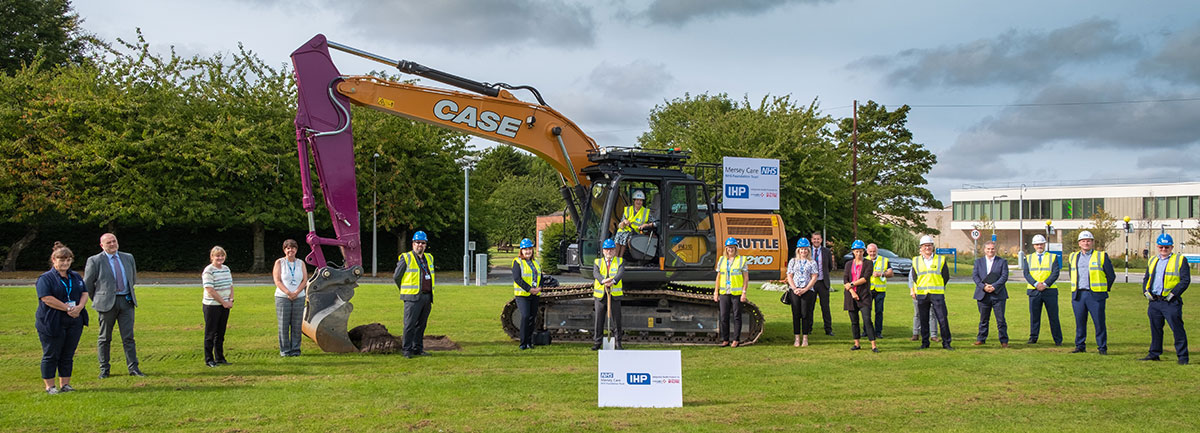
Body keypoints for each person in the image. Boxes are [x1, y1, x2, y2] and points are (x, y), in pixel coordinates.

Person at [83, 233, 144, 378]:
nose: (112, 244)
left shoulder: (128, 257)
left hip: (126, 302)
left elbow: (132, 279)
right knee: (104, 338)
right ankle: (104, 369)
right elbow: (87, 285)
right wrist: (98, 299)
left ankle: (133, 368)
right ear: (102, 245)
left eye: (114, 241)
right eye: (108, 242)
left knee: (128, 337)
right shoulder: (95, 260)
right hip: (106, 304)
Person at [35, 244, 89, 394]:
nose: (65, 263)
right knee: (51, 353)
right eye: (61, 260)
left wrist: (79, 307)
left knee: (68, 354)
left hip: (74, 320)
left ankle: (65, 384)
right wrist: (67, 308)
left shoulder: (75, 276)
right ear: (53, 260)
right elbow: (46, 298)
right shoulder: (45, 278)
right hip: (52, 321)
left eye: (68, 260)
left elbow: (84, 292)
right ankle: (50, 386)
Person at [1139, 233, 1190, 365]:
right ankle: (1154, 353)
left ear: (1172, 247)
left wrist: (1173, 294)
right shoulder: (1152, 260)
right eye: (1161, 247)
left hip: (1171, 302)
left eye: (1166, 247)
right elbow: (1146, 278)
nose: (1163, 249)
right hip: (1155, 301)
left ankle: (1183, 356)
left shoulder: (1180, 260)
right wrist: (1145, 291)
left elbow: (1185, 280)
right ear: (1157, 247)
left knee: (1177, 329)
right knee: (1155, 329)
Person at [1068, 230, 1115, 355]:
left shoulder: (1101, 256)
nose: (1086, 243)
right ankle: (1080, 345)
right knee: (1079, 322)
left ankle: (1102, 347)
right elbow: (1071, 273)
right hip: (1078, 294)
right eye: (1083, 241)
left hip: (1095, 295)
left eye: (1088, 240)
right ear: (1079, 243)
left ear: (1092, 242)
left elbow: (1111, 275)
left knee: (1099, 322)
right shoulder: (1073, 257)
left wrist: (1104, 288)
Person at [394, 231, 436, 358]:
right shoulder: (406, 258)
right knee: (409, 325)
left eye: (423, 243)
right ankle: (406, 350)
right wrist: (404, 290)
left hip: (427, 296)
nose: (420, 245)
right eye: (417, 242)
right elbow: (397, 277)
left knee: (421, 325)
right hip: (412, 297)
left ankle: (418, 348)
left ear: (426, 245)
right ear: (413, 244)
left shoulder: (429, 258)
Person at [910, 235, 953, 350]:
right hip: (922, 294)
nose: (927, 248)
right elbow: (915, 277)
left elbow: (946, 276)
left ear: (933, 247)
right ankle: (925, 343)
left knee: (942, 318)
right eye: (925, 246)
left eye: (929, 245)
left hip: (937, 293)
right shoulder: (916, 260)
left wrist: (938, 286)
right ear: (921, 248)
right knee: (924, 319)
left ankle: (946, 343)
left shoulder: (941, 259)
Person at [1023, 235, 1063, 345]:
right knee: (1034, 316)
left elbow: (1055, 273)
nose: (1039, 246)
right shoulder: (1028, 257)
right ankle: (1033, 337)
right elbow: (1026, 273)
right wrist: (1036, 284)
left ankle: (1057, 339)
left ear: (1044, 244)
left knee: (1053, 316)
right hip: (1034, 290)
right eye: (1037, 244)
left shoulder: (1053, 257)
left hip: (1049, 290)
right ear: (1033, 245)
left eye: (1041, 244)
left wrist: (1045, 284)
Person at [272, 239, 307, 357]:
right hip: (283, 297)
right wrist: (288, 292)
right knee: (283, 324)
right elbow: (277, 280)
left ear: (296, 250)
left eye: (293, 248)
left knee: (297, 325)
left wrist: (297, 292)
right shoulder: (279, 262)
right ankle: (285, 350)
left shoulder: (300, 263)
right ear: (284, 250)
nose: (290, 250)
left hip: (299, 296)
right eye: (288, 248)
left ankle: (296, 349)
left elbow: (304, 280)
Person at [972, 241, 1010, 348]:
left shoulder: (1002, 262)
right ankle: (981, 339)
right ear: (984, 250)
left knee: (1001, 319)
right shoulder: (978, 262)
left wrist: (994, 286)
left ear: (995, 250)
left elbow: (1004, 276)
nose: (990, 251)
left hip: (998, 294)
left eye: (992, 249)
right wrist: (984, 286)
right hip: (983, 294)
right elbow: (975, 276)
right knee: (983, 319)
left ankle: (1004, 340)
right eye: (988, 249)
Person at [201, 246, 234, 367]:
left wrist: (230, 300)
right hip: (212, 305)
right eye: (217, 256)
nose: (220, 258)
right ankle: (209, 359)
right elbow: (210, 289)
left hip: (225, 305)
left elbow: (231, 286)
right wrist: (223, 302)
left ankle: (220, 357)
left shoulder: (226, 269)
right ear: (212, 257)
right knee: (211, 333)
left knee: (221, 333)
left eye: (222, 256)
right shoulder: (208, 270)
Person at [844, 240, 879, 352]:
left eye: (860, 251)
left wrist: (852, 284)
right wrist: (852, 292)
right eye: (856, 251)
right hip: (851, 296)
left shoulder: (868, 263)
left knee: (867, 319)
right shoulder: (849, 264)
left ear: (864, 252)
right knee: (854, 321)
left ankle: (873, 345)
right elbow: (845, 280)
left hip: (864, 295)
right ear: (853, 252)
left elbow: (865, 278)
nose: (858, 253)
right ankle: (857, 343)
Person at [714, 237, 749, 347]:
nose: (730, 249)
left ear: (736, 248)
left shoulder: (742, 260)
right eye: (729, 247)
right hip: (724, 292)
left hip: (736, 293)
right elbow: (718, 277)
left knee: (736, 316)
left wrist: (744, 292)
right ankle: (725, 339)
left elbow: (746, 278)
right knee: (724, 316)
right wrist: (716, 291)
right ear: (726, 248)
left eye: (732, 247)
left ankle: (736, 339)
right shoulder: (722, 260)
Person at [786, 238, 819, 347]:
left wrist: (805, 289)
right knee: (796, 314)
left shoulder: (812, 262)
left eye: (805, 249)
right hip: (795, 290)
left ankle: (805, 338)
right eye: (802, 249)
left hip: (807, 291)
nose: (803, 251)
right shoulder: (793, 261)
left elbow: (814, 277)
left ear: (808, 250)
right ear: (798, 250)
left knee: (805, 314)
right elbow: (789, 275)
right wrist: (795, 288)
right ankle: (796, 338)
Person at [592, 239, 624, 350]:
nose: (609, 252)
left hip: (614, 296)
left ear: (615, 251)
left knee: (616, 320)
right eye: (607, 249)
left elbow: (620, 273)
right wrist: (604, 281)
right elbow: (596, 273)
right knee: (599, 320)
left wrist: (613, 281)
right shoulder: (597, 262)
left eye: (611, 249)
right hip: (600, 296)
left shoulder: (620, 261)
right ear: (603, 251)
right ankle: (597, 342)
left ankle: (618, 342)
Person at [512, 238, 542, 350]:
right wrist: (529, 289)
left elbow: (540, 276)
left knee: (532, 318)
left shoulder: (535, 262)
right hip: (523, 295)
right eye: (525, 249)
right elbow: (517, 278)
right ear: (521, 250)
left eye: (529, 249)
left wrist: (540, 287)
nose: (528, 251)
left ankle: (529, 342)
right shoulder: (517, 262)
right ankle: (523, 343)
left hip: (535, 295)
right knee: (525, 316)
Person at [614, 190, 654, 259]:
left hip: (636, 233)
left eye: (641, 200)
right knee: (619, 236)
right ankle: (615, 258)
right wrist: (624, 222)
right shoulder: (627, 210)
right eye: (637, 200)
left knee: (626, 238)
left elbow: (654, 223)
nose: (639, 202)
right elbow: (620, 225)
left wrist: (645, 225)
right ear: (634, 201)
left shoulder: (646, 212)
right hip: (625, 230)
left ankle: (620, 257)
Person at [809, 232, 835, 336]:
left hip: (823, 283)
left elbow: (829, 267)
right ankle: (808, 329)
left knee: (825, 307)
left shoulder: (826, 251)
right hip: (811, 283)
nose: (816, 241)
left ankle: (828, 330)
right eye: (814, 239)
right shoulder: (807, 251)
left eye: (818, 239)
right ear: (811, 240)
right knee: (809, 307)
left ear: (821, 240)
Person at [866, 243, 893, 339]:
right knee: (866, 311)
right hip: (867, 290)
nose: (872, 253)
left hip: (880, 290)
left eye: (874, 251)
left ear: (877, 251)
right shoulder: (864, 260)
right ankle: (866, 331)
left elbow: (890, 273)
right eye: (870, 251)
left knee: (879, 311)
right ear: (867, 251)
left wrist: (881, 274)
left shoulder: (884, 260)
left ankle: (878, 332)